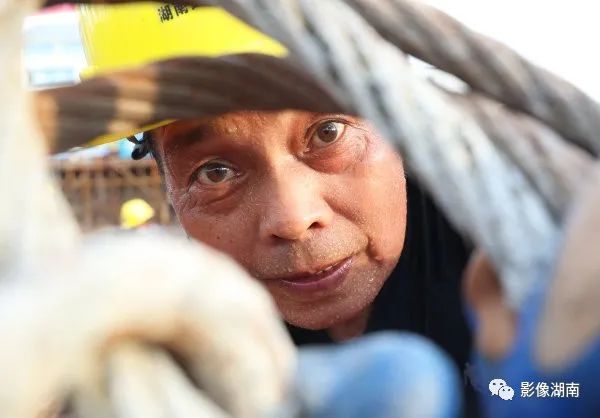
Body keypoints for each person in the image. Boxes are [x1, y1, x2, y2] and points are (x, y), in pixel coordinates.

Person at [73, 3, 477, 415]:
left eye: (328, 133)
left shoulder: (499, 255)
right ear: (167, 186)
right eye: (215, 173)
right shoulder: (154, 361)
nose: (293, 219)